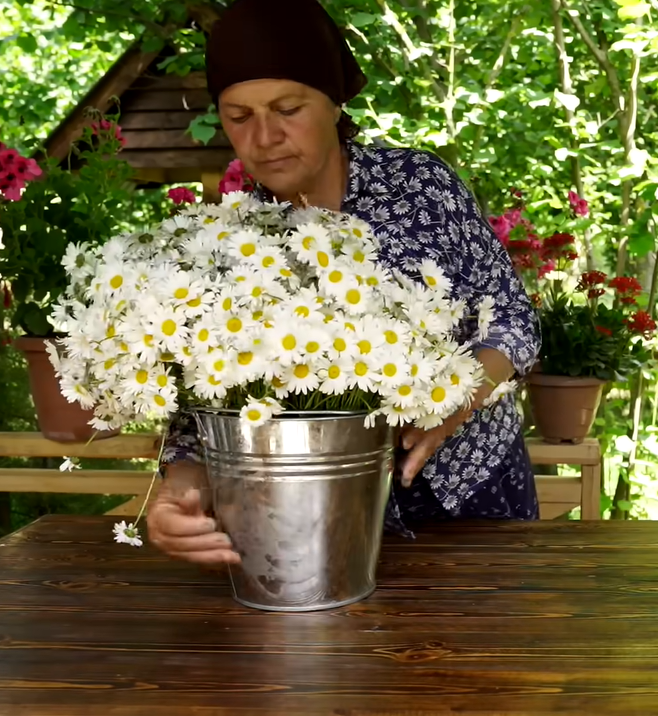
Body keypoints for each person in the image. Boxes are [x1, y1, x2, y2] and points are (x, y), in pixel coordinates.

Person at [145, 0, 542, 566]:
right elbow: (199, 411)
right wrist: (180, 493)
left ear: (334, 103)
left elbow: (511, 318)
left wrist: (454, 401)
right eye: (239, 116)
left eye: (287, 108)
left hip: (472, 496)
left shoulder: (418, 186)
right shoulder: (226, 243)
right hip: (311, 521)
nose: (265, 136)